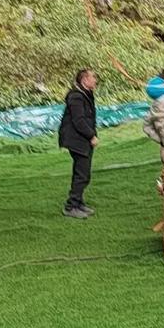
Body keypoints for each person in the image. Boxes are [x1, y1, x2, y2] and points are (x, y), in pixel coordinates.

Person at [58, 68, 98, 218]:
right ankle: (71, 206)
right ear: (84, 80)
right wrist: (91, 136)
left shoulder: (85, 95)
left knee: (83, 173)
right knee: (82, 174)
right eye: (93, 77)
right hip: (77, 140)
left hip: (82, 140)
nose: (95, 80)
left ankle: (79, 203)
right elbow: (78, 120)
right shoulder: (76, 97)